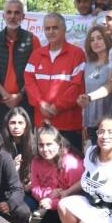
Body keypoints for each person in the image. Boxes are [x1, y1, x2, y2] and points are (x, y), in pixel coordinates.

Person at [23, 12, 86, 151]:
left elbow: (77, 86)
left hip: (69, 125)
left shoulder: (77, 53)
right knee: (44, 163)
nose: (51, 32)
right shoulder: (36, 55)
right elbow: (29, 82)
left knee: (70, 163)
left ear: (64, 29)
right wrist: (40, 103)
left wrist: (57, 107)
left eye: (55, 28)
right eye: (47, 28)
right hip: (43, 124)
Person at [0, 0, 39, 129]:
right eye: (9, 12)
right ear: (3, 16)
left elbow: (36, 73)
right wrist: (5, 95)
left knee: (26, 141)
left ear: (23, 16)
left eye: (17, 13)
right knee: (0, 141)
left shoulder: (32, 40)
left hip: (25, 103)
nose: (12, 16)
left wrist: (19, 95)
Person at [30, 125, 84, 223]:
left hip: (71, 204)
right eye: (41, 145)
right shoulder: (36, 161)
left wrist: (53, 202)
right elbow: (34, 188)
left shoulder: (70, 163)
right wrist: (50, 194)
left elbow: (77, 194)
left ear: (59, 144)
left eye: (49, 144)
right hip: (53, 201)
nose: (45, 149)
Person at [77, 26, 112, 144]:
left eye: (99, 38)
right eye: (92, 40)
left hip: (108, 122)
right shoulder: (87, 65)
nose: (95, 42)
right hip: (90, 123)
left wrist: (90, 97)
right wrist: (84, 123)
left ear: (107, 39)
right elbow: (85, 92)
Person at [0, 107, 35, 195]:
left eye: (20, 123)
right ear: (7, 125)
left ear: (26, 124)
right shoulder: (0, 145)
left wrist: (31, 183)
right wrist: (12, 166)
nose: (16, 127)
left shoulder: (35, 144)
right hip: (8, 189)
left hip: (31, 189)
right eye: (12, 123)